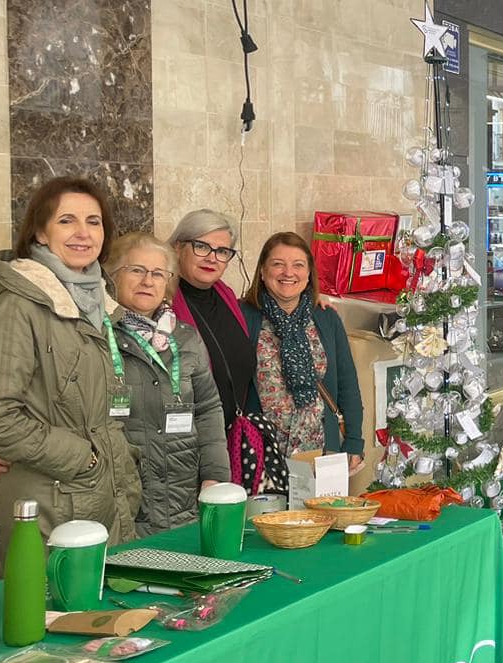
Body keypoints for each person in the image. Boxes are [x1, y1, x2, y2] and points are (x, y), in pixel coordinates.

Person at [0, 177, 142, 542]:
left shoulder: (100, 305)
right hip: (50, 509)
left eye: (93, 222)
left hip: (103, 500)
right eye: (66, 221)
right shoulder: (20, 305)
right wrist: (84, 459)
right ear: (41, 233)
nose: (83, 233)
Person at [106, 232, 229, 536]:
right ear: (112, 277)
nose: (147, 281)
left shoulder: (186, 337)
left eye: (158, 273)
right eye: (136, 270)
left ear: (168, 283)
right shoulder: (96, 336)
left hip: (182, 499)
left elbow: (209, 408)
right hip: (123, 499)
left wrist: (215, 475)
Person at [244, 232, 365, 468]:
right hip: (262, 451)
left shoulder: (325, 317)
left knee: (324, 506)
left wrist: (353, 442)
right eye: (277, 264)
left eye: (298, 265)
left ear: (309, 274)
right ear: (262, 271)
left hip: (322, 450)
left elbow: (348, 383)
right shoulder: (242, 316)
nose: (288, 273)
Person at [167, 210, 264, 488]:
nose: (212, 257)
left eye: (222, 251)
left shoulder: (227, 296)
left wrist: (317, 302)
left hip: (231, 442)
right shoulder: (162, 302)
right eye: (202, 246)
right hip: (185, 450)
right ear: (178, 247)